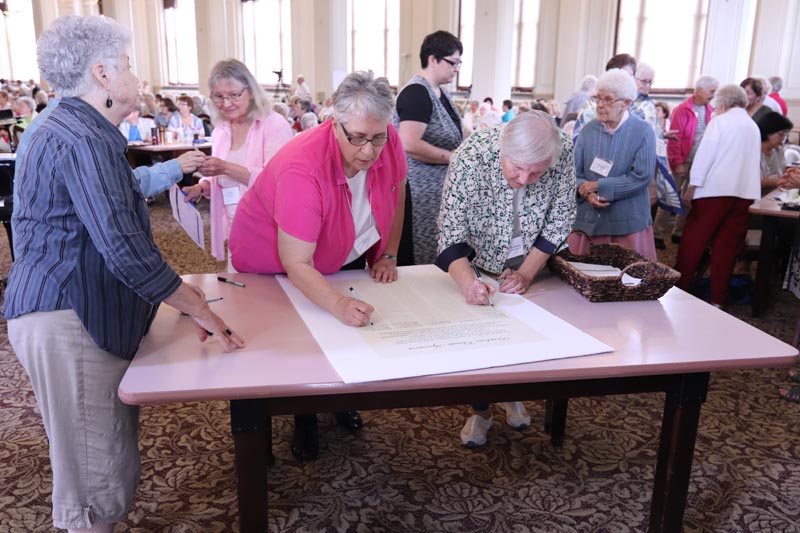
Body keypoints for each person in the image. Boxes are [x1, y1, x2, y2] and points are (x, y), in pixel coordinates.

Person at [4, 16, 245, 533]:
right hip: (70, 313)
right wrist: (195, 304)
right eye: (129, 66)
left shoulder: (74, 128)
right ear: (102, 74)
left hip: (71, 307)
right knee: (93, 479)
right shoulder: (83, 138)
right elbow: (123, 246)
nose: (136, 77)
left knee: (100, 455)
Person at [229, 71, 407, 461]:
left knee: (344, 332)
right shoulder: (303, 165)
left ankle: (341, 400)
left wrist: (389, 253)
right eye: (357, 137)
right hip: (273, 258)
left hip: (341, 243)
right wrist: (338, 303)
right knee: (301, 338)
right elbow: (297, 261)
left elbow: (397, 192)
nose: (369, 151)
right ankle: (304, 415)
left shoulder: (387, 139)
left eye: (377, 137)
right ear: (334, 123)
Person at [436, 111, 576, 447]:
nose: (525, 179)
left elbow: (560, 218)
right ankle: (481, 410)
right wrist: (469, 284)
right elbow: (450, 232)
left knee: (529, 336)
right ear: (503, 149)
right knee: (481, 340)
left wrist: (527, 273)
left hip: (533, 258)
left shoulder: (563, 149)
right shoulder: (471, 156)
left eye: (536, 172)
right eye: (517, 168)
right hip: (479, 259)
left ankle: (512, 392)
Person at [182, 59, 293, 269]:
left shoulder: (274, 125)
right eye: (218, 96)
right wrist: (202, 186)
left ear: (250, 92)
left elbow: (277, 183)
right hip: (235, 227)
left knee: (267, 286)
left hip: (267, 229)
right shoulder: (221, 130)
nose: (226, 103)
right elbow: (221, 177)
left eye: (233, 95)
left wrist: (225, 167)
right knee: (238, 280)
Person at [674, 85, 761, 307]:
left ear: (723, 103)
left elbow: (705, 155)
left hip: (714, 190)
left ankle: (678, 289)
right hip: (743, 192)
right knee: (727, 247)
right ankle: (718, 299)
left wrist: (692, 186)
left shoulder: (720, 122)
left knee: (694, 241)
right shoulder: (752, 125)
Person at [569, 69, 657, 260]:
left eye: (608, 99)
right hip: (590, 220)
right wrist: (587, 191)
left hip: (627, 223)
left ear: (626, 103)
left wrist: (599, 186)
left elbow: (641, 177)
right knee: (584, 273)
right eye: (598, 98)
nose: (600, 105)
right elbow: (573, 172)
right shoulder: (588, 130)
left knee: (627, 274)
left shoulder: (643, 131)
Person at [393, 30, 464, 265]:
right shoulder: (417, 92)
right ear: (433, 59)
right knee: (419, 256)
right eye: (453, 62)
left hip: (436, 190)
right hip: (418, 192)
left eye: (459, 63)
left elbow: (459, 131)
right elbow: (409, 143)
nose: (457, 69)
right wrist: (452, 157)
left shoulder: (440, 92)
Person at [655, 75, 719, 245]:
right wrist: (678, 162)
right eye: (711, 91)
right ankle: (657, 233)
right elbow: (675, 139)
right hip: (682, 160)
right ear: (700, 90)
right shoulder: (682, 109)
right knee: (670, 195)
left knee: (688, 198)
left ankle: (679, 232)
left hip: (699, 162)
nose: (713, 95)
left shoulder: (711, 110)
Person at [631, 63, 682, 249]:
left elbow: (649, 132)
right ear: (633, 79)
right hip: (629, 162)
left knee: (647, 205)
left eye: (651, 82)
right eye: (644, 81)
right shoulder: (626, 100)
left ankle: (640, 247)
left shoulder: (648, 104)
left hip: (646, 162)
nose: (648, 86)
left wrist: (662, 135)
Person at [757, 111, 797, 193]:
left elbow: (782, 171)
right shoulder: (755, 152)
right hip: (760, 196)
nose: (783, 139)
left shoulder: (778, 149)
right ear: (768, 132)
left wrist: (790, 174)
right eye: (781, 134)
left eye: (786, 135)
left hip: (776, 192)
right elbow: (757, 181)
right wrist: (782, 180)